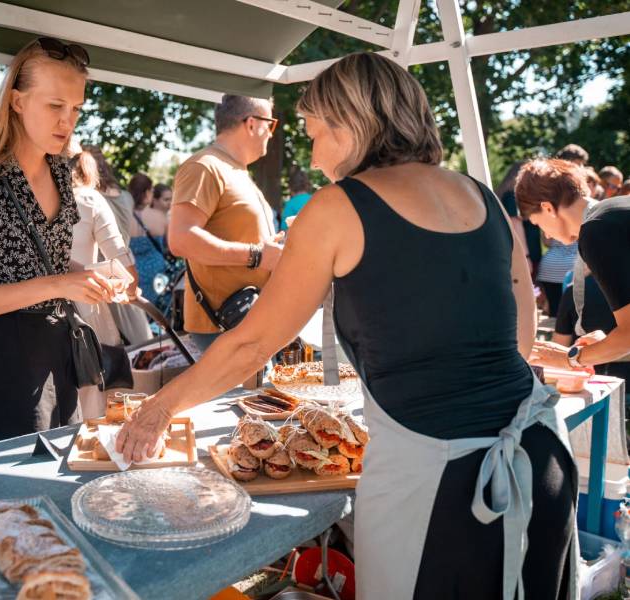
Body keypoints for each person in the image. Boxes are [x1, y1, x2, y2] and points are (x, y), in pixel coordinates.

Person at [119, 52, 576, 599]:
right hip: (540, 454)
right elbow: (520, 333)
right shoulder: (476, 192)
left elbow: (253, 342)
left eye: (314, 134)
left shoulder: (338, 207)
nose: (312, 157)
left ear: (351, 124)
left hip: (441, 485)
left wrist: (159, 407)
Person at [0, 38, 117, 446]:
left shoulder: (59, 173)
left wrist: (93, 276)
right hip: (5, 361)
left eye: (75, 109)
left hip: (61, 352)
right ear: (17, 102)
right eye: (55, 106)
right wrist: (59, 285)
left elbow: (48, 266)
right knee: (13, 501)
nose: (67, 121)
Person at [169, 94, 283, 352]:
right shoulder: (204, 166)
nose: (271, 134)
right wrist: (258, 255)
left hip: (246, 321)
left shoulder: (235, 169)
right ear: (252, 124)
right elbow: (181, 239)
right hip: (223, 325)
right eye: (271, 124)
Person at [516, 158, 630, 376]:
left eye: (538, 224)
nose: (547, 235)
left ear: (548, 208)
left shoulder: (596, 231)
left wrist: (570, 358)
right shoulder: (618, 208)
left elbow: (629, 335)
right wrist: (605, 345)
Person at [67, 142, 139, 418]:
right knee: (92, 408)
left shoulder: (32, 198)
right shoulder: (90, 200)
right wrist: (127, 286)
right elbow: (124, 265)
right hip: (85, 316)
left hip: (37, 311)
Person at [86, 145, 152, 344]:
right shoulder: (126, 197)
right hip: (126, 265)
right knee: (139, 337)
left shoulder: (90, 199)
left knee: (111, 343)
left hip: (103, 270)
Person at [127, 173, 168, 304]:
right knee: (158, 312)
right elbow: (170, 247)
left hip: (131, 272)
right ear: (146, 192)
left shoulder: (122, 217)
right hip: (157, 273)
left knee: (138, 311)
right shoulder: (160, 216)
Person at [537, 236, 578, 316]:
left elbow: (547, 243)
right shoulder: (583, 223)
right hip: (573, 265)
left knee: (554, 309)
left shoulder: (550, 223)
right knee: (574, 308)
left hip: (551, 267)